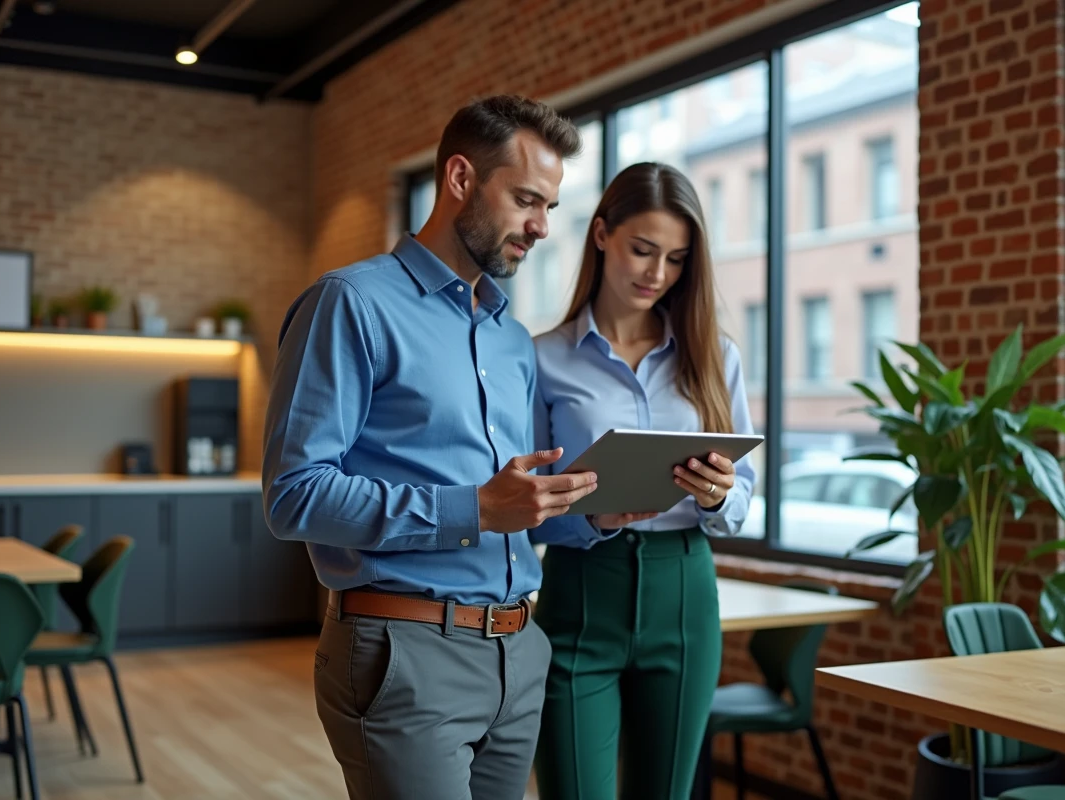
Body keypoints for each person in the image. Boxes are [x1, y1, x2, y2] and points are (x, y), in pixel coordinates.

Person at [262, 96, 651, 800]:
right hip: (405, 650)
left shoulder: (509, 337)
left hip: (517, 651)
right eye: (526, 199)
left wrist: (589, 516)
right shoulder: (349, 303)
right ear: (462, 179)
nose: (539, 226)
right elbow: (295, 495)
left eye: (550, 207)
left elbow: (513, 506)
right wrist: (471, 507)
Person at [529, 161, 758, 800]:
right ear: (601, 234)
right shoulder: (543, 359)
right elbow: (525, 498)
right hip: (579, 592)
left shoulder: (715, 356)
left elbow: (743, 494)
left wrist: (719, 495)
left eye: (677, 259)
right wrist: (592, 516)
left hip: (683, 593)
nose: (657, 274)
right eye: (643, 249)